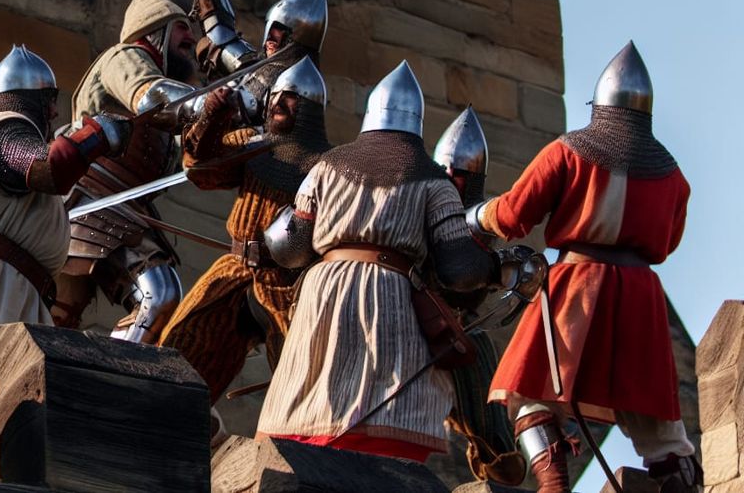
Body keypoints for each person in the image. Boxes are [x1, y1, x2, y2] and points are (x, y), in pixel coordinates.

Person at [475, 42, 699, 493]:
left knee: (528, 393)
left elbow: (515, 213)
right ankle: (681, 484)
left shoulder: (568, 152)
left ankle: (554, 484)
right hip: (641, 296)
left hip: (577, 287)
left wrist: (474, 217)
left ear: (599, 107)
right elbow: (668, 244)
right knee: (659, 428)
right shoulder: (672, 175)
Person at [256, 61, 494, 461]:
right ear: (416, 123)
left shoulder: (326, 166)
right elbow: (460, 269)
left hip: (323, 290)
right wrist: (497, 265)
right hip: (389, 293)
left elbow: (291, 249)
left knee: (311, 383)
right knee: (384, 396)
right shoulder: (433, 180)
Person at [0, 45, 129, 363]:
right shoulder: (3, 127)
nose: (55, 113)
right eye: (50, 103)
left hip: (13, 284)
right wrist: (97, 134)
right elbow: (50, 168)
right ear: (31, 100)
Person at [157, 56, 331, 403]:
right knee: (181, 348)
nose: (280, 102)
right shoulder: (253, 143)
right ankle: (170, 418)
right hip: (234, 270)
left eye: (291, 98)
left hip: (289, 286)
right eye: (277, 96)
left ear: (310, 109)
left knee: (302, 377)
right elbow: (201, 167)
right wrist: (212, 117)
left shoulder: (327, 167)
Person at [56, 0, 201, 342]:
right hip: (90, 198)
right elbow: (150, 96)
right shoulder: (126, 57)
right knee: (157, 294)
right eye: (180, 27)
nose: (191, 36)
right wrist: (207, 104)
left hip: (125, 209)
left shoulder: (172, 110)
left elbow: (193, 153)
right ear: (155, 32)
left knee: (158, 298)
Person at [430, 108, 526, 486]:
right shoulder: (419, 200)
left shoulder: (477, 220)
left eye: (460, 175)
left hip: (451, 318)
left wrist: (499, 267)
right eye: (447, 173)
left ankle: (494, 453)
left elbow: (468, 279)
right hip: (407, 304)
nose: (452, 180)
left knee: (481, 355)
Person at [179, 0, 326, 118]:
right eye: (273, 27)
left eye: (284, 31)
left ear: (298, 40)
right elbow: (222, 42)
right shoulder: (258, 67)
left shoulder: (301, 87)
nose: (272, 36)